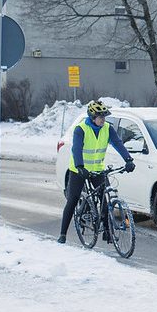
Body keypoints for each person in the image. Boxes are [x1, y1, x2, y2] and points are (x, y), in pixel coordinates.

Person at [57, 100, 135, 244]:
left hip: (98, 169)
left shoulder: (107, 128)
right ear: (93, 117)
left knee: (105, 198)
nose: (103, 120)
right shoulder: (80, 129)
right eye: (101, 117)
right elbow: (77, 149)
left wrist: (128, 159)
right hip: (79, 170)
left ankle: (107, 231)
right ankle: (63, 234)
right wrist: (80, 166)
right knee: (73, 199)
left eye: (104, 117)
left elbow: (118, 143)